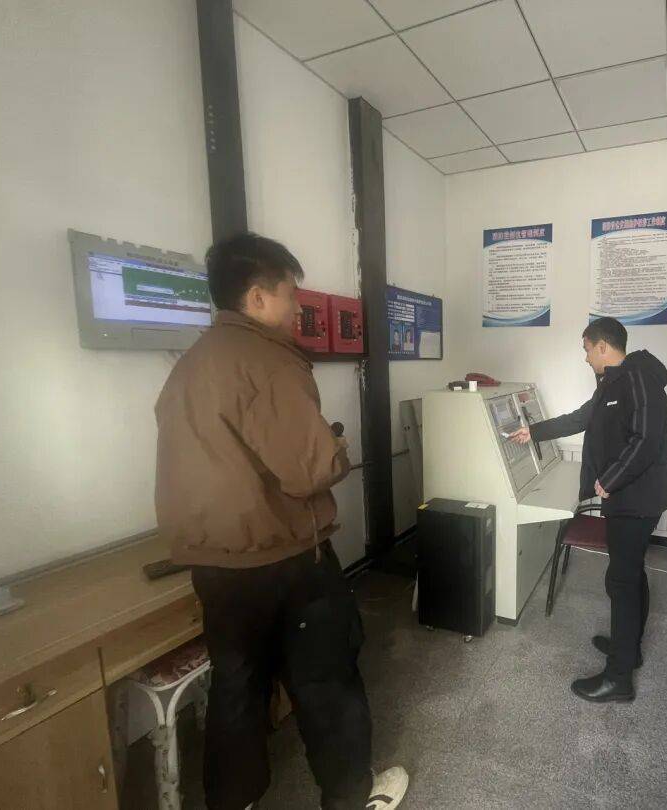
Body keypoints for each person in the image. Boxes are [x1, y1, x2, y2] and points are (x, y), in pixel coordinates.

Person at [155, 233, 408, 810]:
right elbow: (309, 470)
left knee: (236, 685)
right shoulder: (268, 361)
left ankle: (234, 801)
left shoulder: (188, 365)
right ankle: (351, 795)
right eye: (291, 296)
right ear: (257, 297)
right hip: (284, 558)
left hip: (215, 564)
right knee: (325, 677)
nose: (298, 309)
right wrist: (335, 449)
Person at [510, 317, 667, 703]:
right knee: (629, 575)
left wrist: (610, 479)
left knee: (622, 581)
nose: (585, 358)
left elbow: (646, 439)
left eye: (586, 349)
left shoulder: (637, 378)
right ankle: (628, 648)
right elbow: (581, 418)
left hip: (636, 499)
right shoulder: (613, 382)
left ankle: (618, 679)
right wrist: (534, 432)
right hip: (628, 497)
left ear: (602, 346)